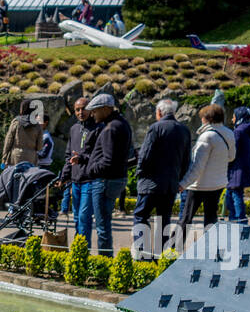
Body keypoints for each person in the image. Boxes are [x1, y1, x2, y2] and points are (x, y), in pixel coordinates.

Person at [74, 93, 132, 257]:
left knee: (102, 226)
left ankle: (104, 262)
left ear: (106, 109)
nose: (92, 114)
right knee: (104, 224)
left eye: (95, 110)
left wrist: (90, 170)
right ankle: (105, 260)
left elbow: (107, 161)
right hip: (115, 178)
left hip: (105, 181)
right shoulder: (121, 124)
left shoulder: (111, 128)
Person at [133, 98, 191, 258]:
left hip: (150, 183)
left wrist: (140, 174)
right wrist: (177, 179)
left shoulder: (156, 128)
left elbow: (144, 156)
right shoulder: (184, 130)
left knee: (141, 218)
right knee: (163, 221)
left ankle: (142, 258)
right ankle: (161, 259)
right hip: (170, 185)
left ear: (159, 112)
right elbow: (186, 161)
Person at [179, 103, 236, 229]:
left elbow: (197, 167)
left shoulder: (206, 137)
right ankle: (208, 247)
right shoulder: (229, 133)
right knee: (210, 219)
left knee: (185, 219)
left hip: (199, 186)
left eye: (202, 117)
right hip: (218, 184)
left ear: (208, 119)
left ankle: (174, 248)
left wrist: (183, 184)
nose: (201, 120)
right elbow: (231, 157)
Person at [63, 96, 91, 232]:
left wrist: (81, 158)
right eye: (77, 110)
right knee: (76, 217)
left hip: (89, 180)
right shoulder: (74, 129)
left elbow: (99, 155)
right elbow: (68, 155)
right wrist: (64, 177)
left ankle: (82, 249)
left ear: (90, 109)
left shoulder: (97, 128)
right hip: (75, 180)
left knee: (83, 217)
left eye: (84, 109)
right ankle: (77, 246)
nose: (81, 112)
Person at [226, 106, 250, 222]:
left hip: (236, 169)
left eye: (234, 117)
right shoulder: (248, 131)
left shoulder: (238, 132)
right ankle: (234, 218)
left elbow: (233, 151)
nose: (232, 119)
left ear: (240, 118)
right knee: (231, 195)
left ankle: (239, 219)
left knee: (235, 194)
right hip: (243, 168)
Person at [1, 100, 44, 168]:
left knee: (15, 177)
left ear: (23, 108)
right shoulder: (37, 125)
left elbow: (8, 142)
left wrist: (4, 159)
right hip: (31, 158)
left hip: (16, 157)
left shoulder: (16, 122)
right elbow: (40, 147)